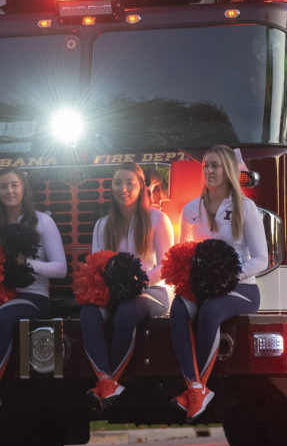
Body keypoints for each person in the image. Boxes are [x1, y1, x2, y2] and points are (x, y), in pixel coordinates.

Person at [170, 145, 269, 422]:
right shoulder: (191, 208)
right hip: (203, 286)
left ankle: (196, 389)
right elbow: (182, 253)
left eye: (215, 166)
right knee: (178, 310)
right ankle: (196, 388)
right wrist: (192, 279)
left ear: (228, 171)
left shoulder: (245, 208)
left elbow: (262, 259)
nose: (210, 171)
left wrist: (227, 276)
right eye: (206, 166)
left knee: (211, 311)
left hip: (243, 287)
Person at [0, 169, 67, 413]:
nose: (9, 191)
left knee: (5, 316)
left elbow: (61, 268)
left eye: (14, 185)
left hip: (34, 295)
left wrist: (25, 264)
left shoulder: (42, 221)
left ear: (24, 189)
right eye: (3, 187)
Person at [80, 164, 175, 405]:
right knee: (89, 313)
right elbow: (96, 264)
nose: (123, 189)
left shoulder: (157, 218)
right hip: (115, 291)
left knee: (126, 312)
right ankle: (106, 382)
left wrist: (140, 282)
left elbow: (166, 265)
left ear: (141, 186)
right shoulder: (103, 224)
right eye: (117, 183)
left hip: (154, 290)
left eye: (129, 183)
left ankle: (112, 380)